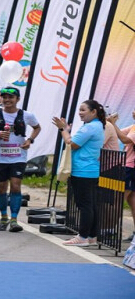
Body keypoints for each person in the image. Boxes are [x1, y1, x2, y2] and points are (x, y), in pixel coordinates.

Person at [0, 86, 41, 232]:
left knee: (15, 185)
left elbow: (37, 127)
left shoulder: (27, 115)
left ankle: (14, 219)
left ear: (17, 99)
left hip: (18, 157)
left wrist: (30, 140)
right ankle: (3, 216)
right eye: (5, 97)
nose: (7, 100)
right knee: (1, 188)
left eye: (11, 97)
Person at [54, 100, 105, 246]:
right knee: (91, 204)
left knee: (84, 205)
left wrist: (63, 129)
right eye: (79, 110)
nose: (80, 113)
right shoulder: (97, 126)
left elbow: (72, 144)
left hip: (83, 170)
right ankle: (91, 236)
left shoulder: (89, 127)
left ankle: (82, 237)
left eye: (83, 110)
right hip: (90, 169)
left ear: (93, 111)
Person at [106, 110, 135, 241]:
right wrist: (112, 123)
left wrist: (113, 124)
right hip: (128, 166)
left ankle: (111, 230)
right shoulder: (133, 126)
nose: (133, 112)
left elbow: (124, 139)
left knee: (119, 199)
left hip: (130, 167)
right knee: (132, 200)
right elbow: (119, 133)